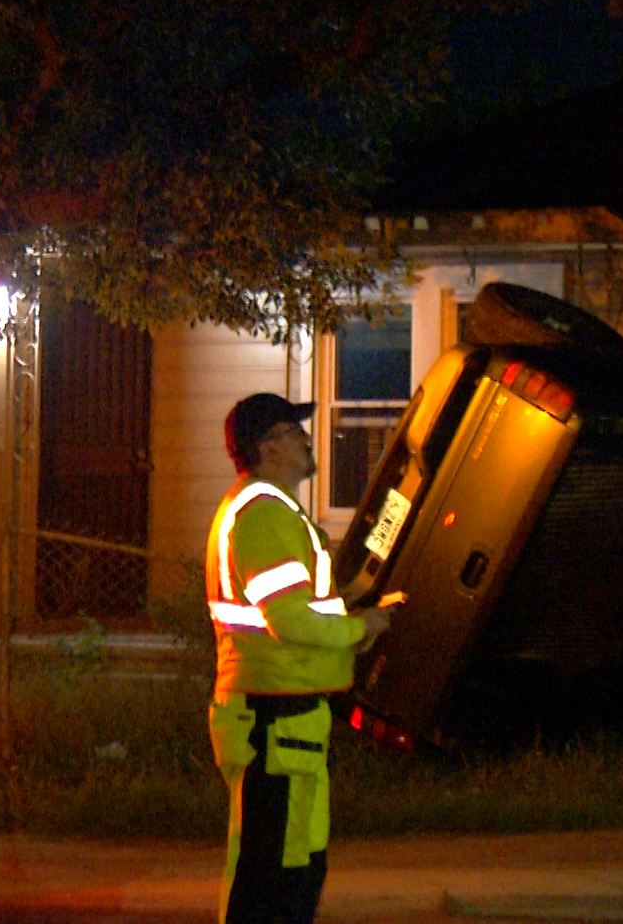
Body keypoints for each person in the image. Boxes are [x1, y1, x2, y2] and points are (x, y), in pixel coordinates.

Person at [204, 393, 393, 924]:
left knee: (290, 872)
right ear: (267, 448)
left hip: (284, 721)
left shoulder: (267, 509)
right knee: (276, 882)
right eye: (294, 430)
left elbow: (297, 613)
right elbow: (288, 621)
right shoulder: (263, 516)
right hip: (277, 722)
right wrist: (360, 628)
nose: (308, 439)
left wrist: (354, 626)